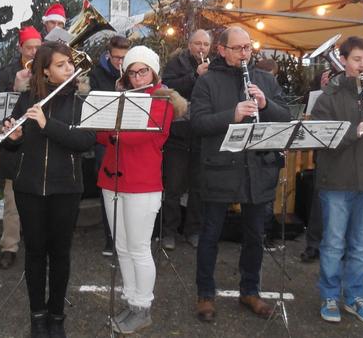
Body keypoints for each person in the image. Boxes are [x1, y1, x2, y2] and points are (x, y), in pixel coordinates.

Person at [191, 26, 290, 322]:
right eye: (238, 48)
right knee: (210, 235)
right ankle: (205, 294)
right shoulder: (207, 82)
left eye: (248, 48)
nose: (245, 54)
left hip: (258, 170)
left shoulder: (265, 80)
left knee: (254, 236)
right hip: (220, 170)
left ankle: (250, 290)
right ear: (221, 50)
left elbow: (285, 117)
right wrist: (231, 116)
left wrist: (265, 104)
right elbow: (197, 123)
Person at [1, 41, 95, 338]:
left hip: (65, 188)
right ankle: (37, 315)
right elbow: (13, 145)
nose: (69, 68)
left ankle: (56, 316)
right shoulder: (27, 99)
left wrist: (46, 123)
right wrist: (12, 136)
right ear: (44, 71)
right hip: (29, 187)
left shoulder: (81, 102)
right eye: (61, 65)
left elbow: (85, 141)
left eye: (69, 63)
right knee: (35, 253)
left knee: (60, 253)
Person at [96, 46, 186, 334]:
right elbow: (99, 133)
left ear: (153, 71)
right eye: (131, 72)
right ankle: (132, 301)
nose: (136, 78)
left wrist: (114, 128)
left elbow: (142, 136)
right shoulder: (120, 96)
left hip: (142, 183)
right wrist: (113, 128)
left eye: (142, 71)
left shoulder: (162, 99)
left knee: (138, 248)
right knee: (121, 246)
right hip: (112, 179)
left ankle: (143, 307)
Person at [312, 36, 363, 326]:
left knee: (360, 246)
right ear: (344, 60)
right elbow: (321, 140)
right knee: (333, 243)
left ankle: (355, 297)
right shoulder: (328, 97)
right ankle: (330, 295)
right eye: (357, 59)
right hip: (337, 181)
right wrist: (354, 132)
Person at [0, 26, 42, 270]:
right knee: (11, 200)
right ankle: (9, 247)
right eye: (29, 48)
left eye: (37, 47)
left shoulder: (46, 67)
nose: (34, 52)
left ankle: (38, 245)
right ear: (20, 49)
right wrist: (14, 88)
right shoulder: (6, 72)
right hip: (15, 142)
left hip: (38, 139)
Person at [160, 29, 211, 249]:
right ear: (189, 45)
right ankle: (168, 232)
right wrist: (195, 75)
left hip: (200, 134)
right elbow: (168, 89)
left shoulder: (214, 65)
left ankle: (193, 230)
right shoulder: (176, 63)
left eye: (206, 44)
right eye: (198, 43)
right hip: (178, 135)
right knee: (173, 186)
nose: (202, 48)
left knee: (198, 187)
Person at [88, 34, 131, 256]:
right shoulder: (97, 74)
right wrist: (115, 92)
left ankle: (127, 236)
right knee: (108, 186)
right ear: (109, 54)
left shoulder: (133, 72)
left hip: (129, 135)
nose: (120, 62)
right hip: (105, 138)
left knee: (128, 187)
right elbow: (94, 106)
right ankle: (110, 238)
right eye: (116, 58)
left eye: (124, 57)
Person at [300, 68, 332, 263]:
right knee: (319, 203)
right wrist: (323, 90)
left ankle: (333, 246)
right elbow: (308, 115)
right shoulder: (318, 95)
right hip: (325, 155)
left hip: (347, 155)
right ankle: (314, 245)